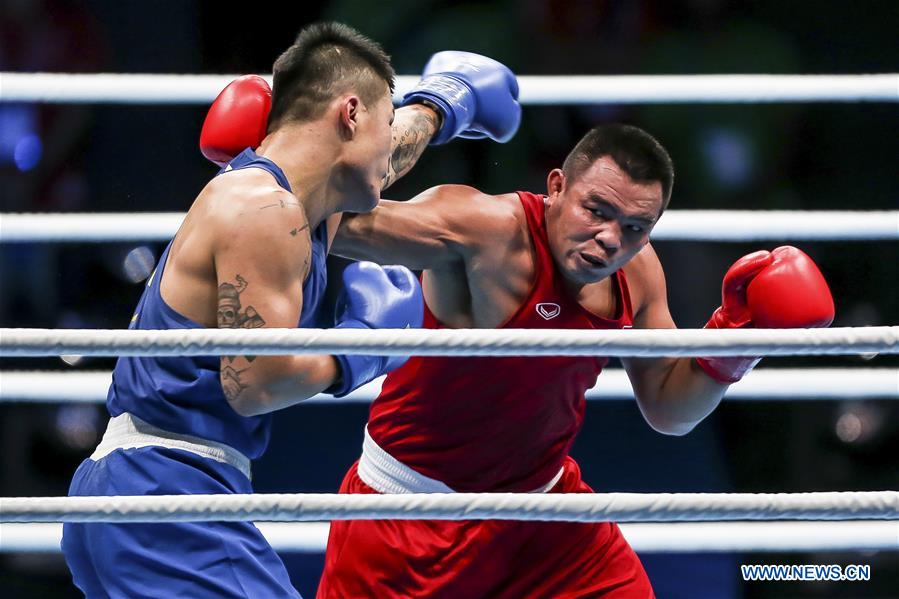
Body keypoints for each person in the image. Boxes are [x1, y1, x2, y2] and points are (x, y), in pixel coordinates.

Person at [203, 82, 834, 596]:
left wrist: (738, 341)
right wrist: (266, 171)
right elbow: (331, 219)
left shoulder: (637, 271)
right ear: (556, 186)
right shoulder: (486, 231)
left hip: (546, 513)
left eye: (636, 226)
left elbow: (670, 410)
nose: (611, 238)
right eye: (597, 211)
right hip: (408, 518)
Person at [61, 22, 520, 598]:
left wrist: (439, 105)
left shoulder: (300, 203)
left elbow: (381, 157)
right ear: (350, 115)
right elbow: (255, 383)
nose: (388, 149)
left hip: (153, 491)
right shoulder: (264, 209)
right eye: (384, 122)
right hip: (166, 498)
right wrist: (365, 345)